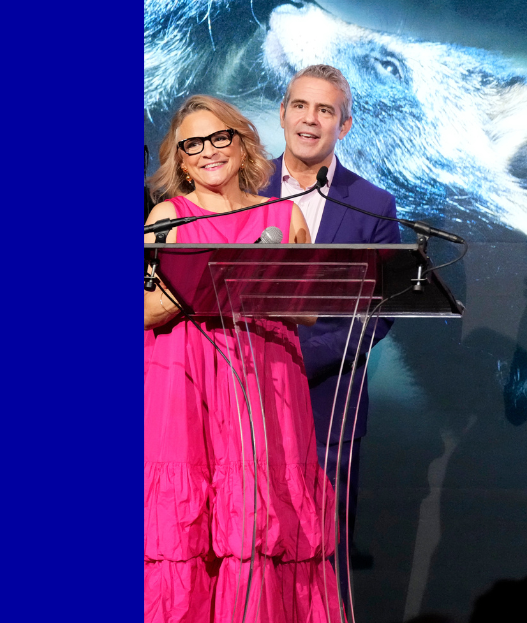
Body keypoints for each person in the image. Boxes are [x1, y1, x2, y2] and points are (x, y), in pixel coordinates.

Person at [144, 94, 339, 623]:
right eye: (192, 145)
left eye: (218, 138)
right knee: (192, 521)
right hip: (189, 381)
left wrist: (266, 281)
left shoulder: (284, 214)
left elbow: (308, 309)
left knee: (264, 513)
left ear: (242, 142)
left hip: (267, 378)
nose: (207, 152)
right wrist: (209, 281)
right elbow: (143, 310)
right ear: (180, 160)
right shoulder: (167, 217)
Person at [259, 64, 402, 584]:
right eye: (299, 106)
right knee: (250, 546)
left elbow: (381, 310)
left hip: (329, 400)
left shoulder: (372, 205)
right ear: (282, 114)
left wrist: (305, 355)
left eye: (325, 110)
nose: (309, 120)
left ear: (344, 125)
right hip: (243, 395)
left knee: (322, 555)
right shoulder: (241, 191)